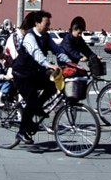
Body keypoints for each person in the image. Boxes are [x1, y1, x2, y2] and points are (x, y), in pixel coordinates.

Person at [12, 10, 71, 144]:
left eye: (49, 24)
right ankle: (21, 132)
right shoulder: (29, 37)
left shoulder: (46, 36)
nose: (48, 26)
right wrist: (48, 64)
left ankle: (37, 108)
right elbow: (36, 53)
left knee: (51, 86)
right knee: (31, 101)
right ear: (37, 23)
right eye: (46, 23)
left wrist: (69, 62)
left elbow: (58, 50)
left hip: (34, 73)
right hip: (21, 74)